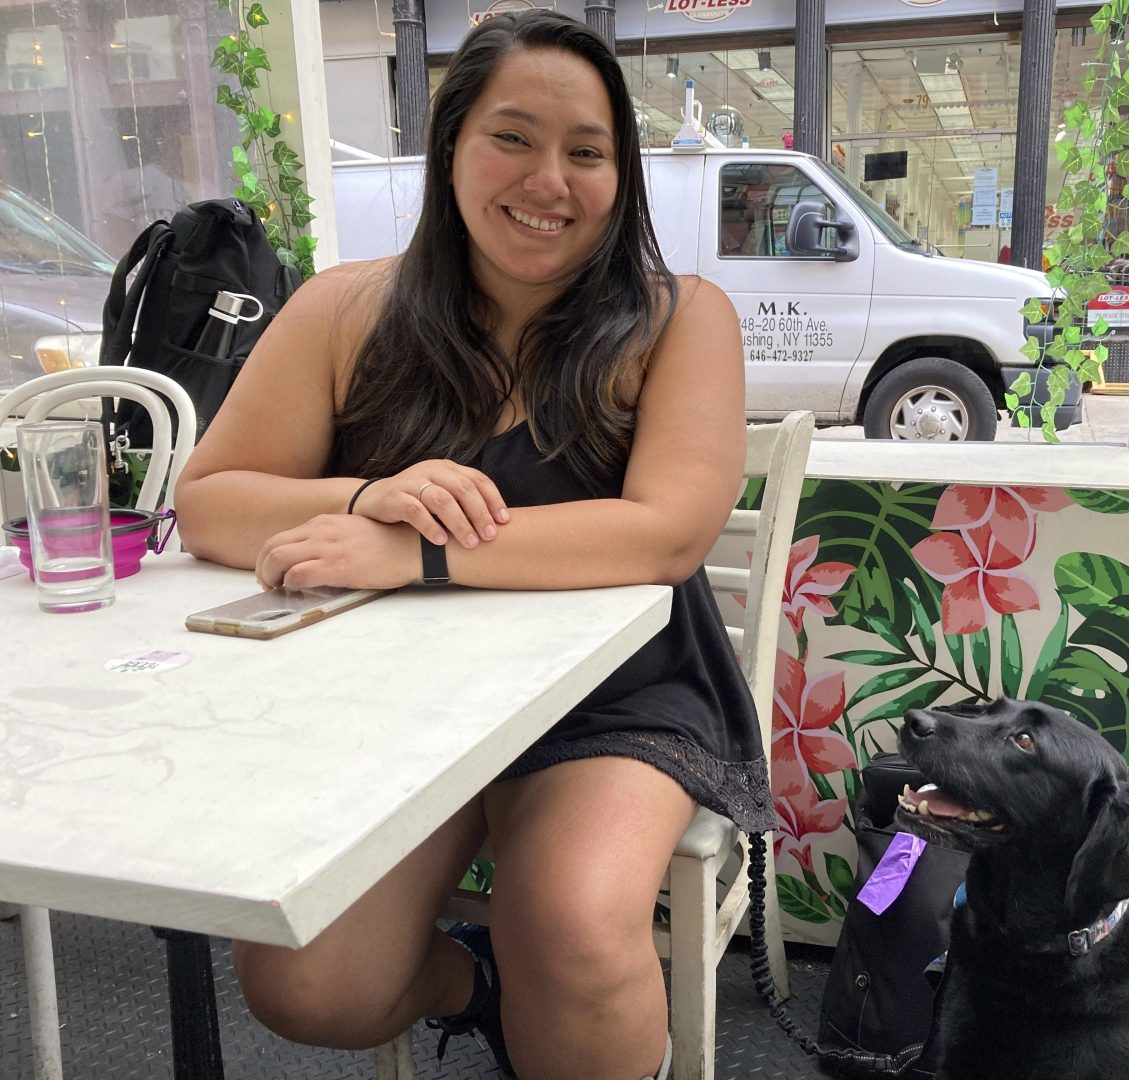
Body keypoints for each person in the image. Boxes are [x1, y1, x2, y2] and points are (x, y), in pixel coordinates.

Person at [173, 13, 773, 1080]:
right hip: (397, 697)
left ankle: (554, 997)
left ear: (620, 176)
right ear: (450, 146)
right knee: (308, 983)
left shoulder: (681, 320)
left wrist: (421, 555)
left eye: (587, 151)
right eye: (513, 137)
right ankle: (481, 987)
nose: (550, 180)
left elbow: (666, 533)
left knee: (578, 927)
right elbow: (211, 499)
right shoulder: (344, 309)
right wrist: (370, 499)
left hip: (618, 698)